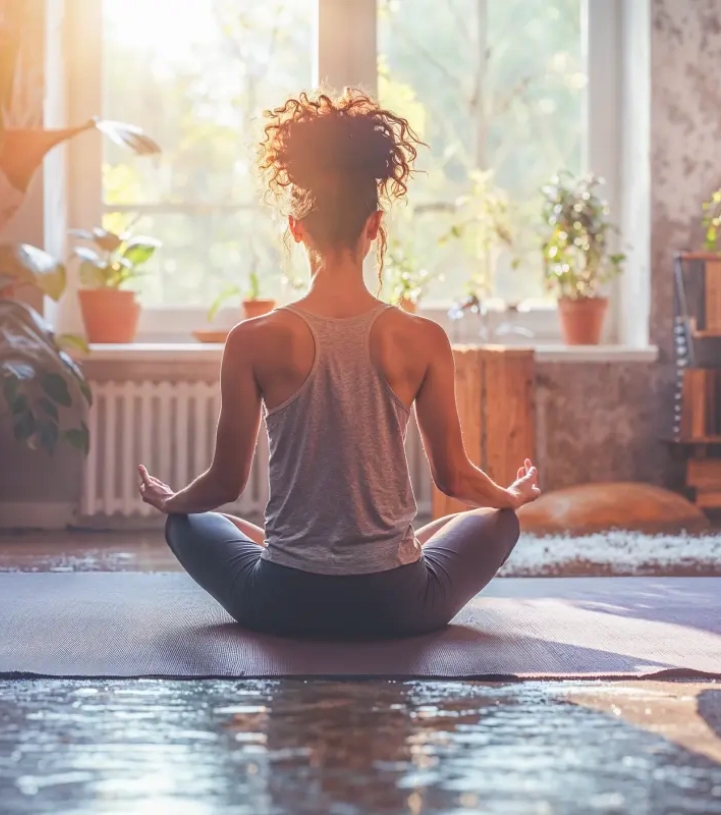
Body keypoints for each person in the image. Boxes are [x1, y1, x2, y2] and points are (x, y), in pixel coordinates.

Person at [138, 89, 540, 639]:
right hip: (399, 605)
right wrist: (510, 496)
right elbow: (455, 476)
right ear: (374, 225)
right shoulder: (422, 338)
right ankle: (390, 551)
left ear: (296, 228)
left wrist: (172, 500)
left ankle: (312, 552)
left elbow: (224, 483)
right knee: (495, 522)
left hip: (282, 601)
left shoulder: (252, 339)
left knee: (190, 524)